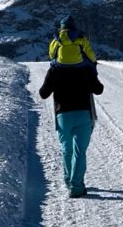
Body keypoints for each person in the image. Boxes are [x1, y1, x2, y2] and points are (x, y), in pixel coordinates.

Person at [39, 52, 104, 198]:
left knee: (66, 149)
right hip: (83, 113)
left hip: (63, 115)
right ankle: (76, 186)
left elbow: (43, 93)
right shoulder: (86, 68)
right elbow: (98, 90)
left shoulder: (54, 69)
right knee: (80, 151)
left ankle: (69, 182)